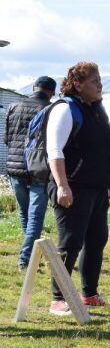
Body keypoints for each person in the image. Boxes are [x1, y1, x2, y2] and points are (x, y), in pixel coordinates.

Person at [46, 63, 110, 315]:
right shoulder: (66, 109)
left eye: (100, 80)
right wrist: (62, 185)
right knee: (70, 242)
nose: (100, 85)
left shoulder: (97, 110)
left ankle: (89, 293)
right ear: (77, 84)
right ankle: (58, 298)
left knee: (97, 239)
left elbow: (103, 148)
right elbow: (54, 151)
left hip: (97, 189)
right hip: (72, 188)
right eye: (94, 81)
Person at [4, 76, 55, 270]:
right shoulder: (50, 110)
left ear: (34, 88)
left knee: (25, 214)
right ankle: (26, 260)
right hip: (38, 169)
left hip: (14, 167)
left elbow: (7, 139)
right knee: (35, 217)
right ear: (51, 92)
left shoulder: (13, 106)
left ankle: (31, 256)